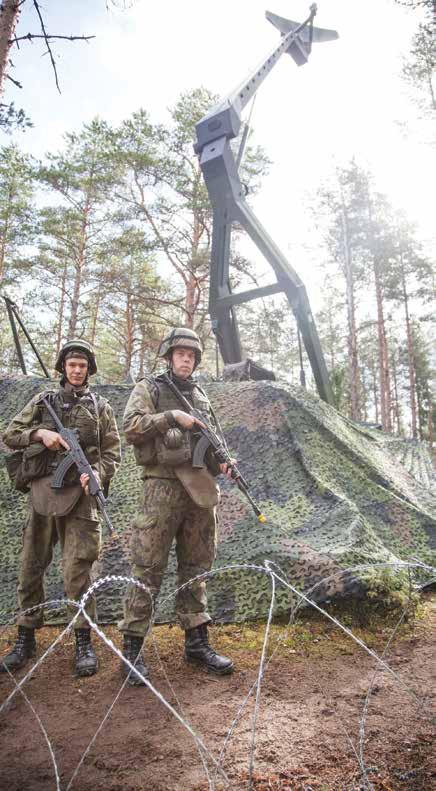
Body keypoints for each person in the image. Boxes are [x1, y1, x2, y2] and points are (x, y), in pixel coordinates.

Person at [119, 327, 234, 685]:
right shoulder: (150, 388)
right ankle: (132, 651)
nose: (186, 359)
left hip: (199, 490)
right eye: (180, 353)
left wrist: (225, 462)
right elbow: (132, 427)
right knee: (148, 565)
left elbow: (214, 439)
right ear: (169, 356)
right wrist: (171, 418)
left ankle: (196, 642)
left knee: (196, 566)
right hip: (162, 488)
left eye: (192, 355)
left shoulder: (200, 395)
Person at [0, 340, 121, 677]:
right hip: (42, 494)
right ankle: (25, 637)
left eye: (82, 365)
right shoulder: (43, 401)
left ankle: (83, 640)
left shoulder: (101, 408)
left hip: (80, 499)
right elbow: (11, 434)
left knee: (78, 572)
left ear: (89, 370)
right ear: (63, 368)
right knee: (30, 567)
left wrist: (97, 473)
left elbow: (113, 451)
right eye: (72, 364)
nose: (77, 370)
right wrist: (41, 434)